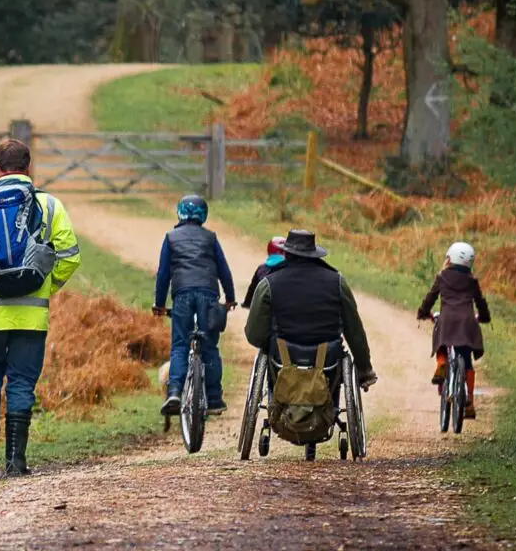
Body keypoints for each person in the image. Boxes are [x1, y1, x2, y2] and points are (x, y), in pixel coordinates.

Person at [0, 139, 81, 476]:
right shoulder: (50, 205)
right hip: (32, 313)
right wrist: (46, 285)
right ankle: (15, 461)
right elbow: (71, 255)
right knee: (22, 382)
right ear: (29, 168)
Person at [244, 229, 377, 460]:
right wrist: (364, 369)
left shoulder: (269, 283)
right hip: (328, 360)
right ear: (315, 255)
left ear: (287, 255)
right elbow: (354, 330)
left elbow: (254, 334)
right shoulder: (337, 282)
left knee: (270, 349)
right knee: (337, 356)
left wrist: (270, 342)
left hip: (281, 359)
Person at [153, 194, 237, 417]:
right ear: (204, 215)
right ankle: (214, 398)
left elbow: (163, 275)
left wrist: (159, 305)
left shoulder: (171, 238)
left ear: (179, 212)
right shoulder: (210, 238)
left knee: (180, 345)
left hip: (182, 296)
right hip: (208, 295)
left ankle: (174, 393)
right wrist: (230, 298)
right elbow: (223, 270)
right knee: (209, 346)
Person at [416, 241, 491, 419]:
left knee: (442, 341)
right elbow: (480, 302)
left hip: (447, 320)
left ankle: (442, 363)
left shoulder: (442, 277)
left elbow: (430, 297)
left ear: (450, 258)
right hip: (467, 323)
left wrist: (423, 312)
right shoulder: (472, 280)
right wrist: (484, 316)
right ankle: (470, 403)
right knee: (467, 361)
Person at [241, 236, 286, 308]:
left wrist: (247, 303)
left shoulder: (262, 268)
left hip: (264, 307)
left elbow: (253, 288)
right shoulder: (290, 268)